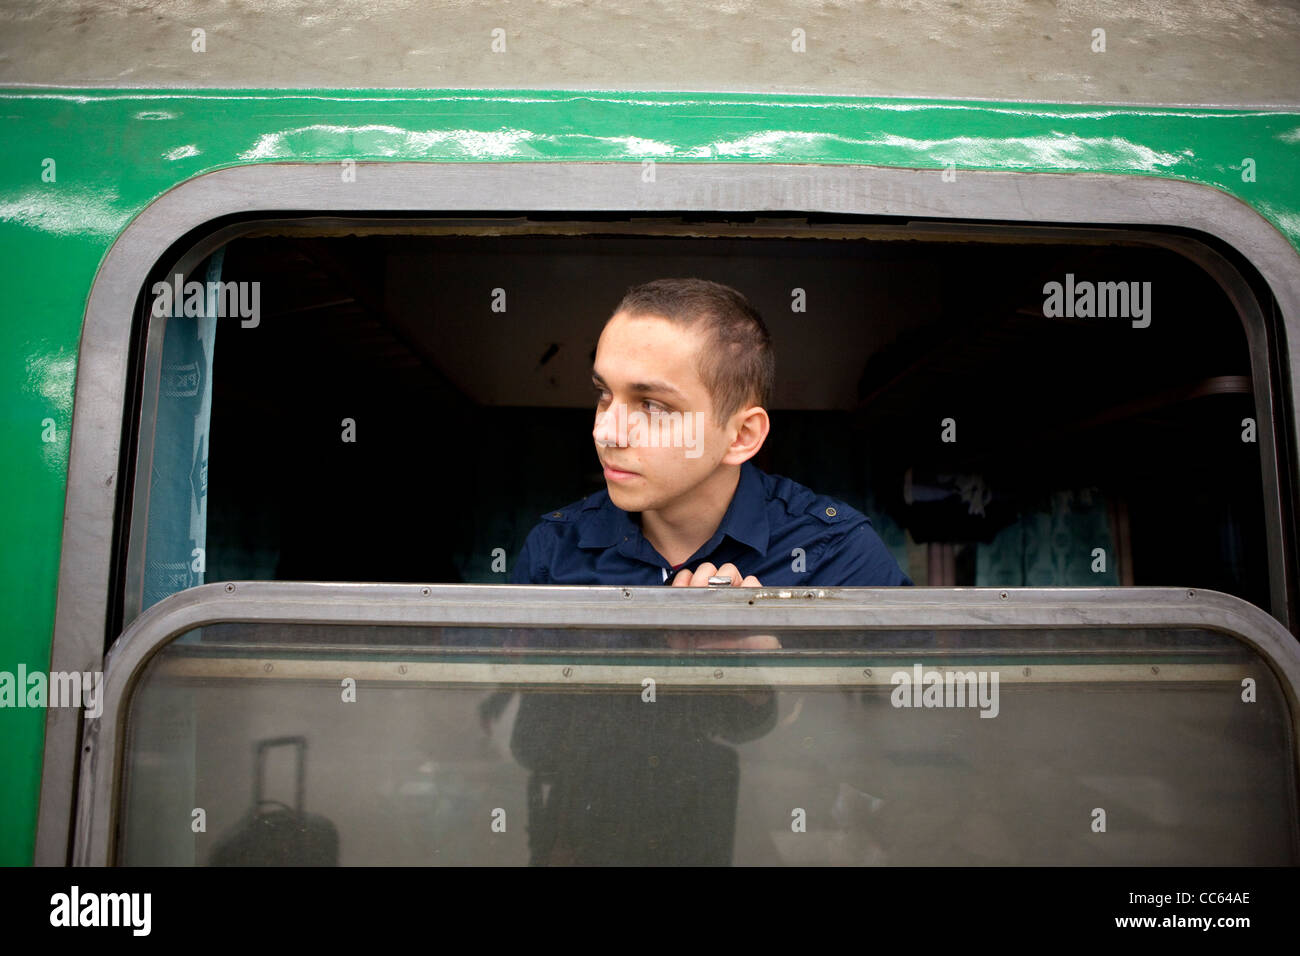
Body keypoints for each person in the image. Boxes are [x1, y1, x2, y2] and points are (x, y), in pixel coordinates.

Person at [509, 277, 913, 591]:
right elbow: (520, 698)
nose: (605, 431)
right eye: (603, 394)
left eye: (653, 405)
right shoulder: (554, 551)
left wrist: (769, 664)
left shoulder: (835, 553)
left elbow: (908, 691)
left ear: (741, 436)